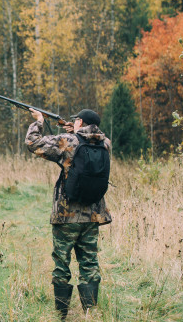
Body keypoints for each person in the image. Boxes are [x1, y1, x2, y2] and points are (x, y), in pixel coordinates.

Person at [25, 108, 112, 321]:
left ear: (80, 121)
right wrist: (75, 130)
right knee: (89, 262)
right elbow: (86, 140)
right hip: (93, 215)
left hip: (66, 215)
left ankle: (61, 314)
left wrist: (38, 120)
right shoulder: (105, 144)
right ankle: (90, 312)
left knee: (61, 263)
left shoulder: (67, 141)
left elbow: (33, 143)